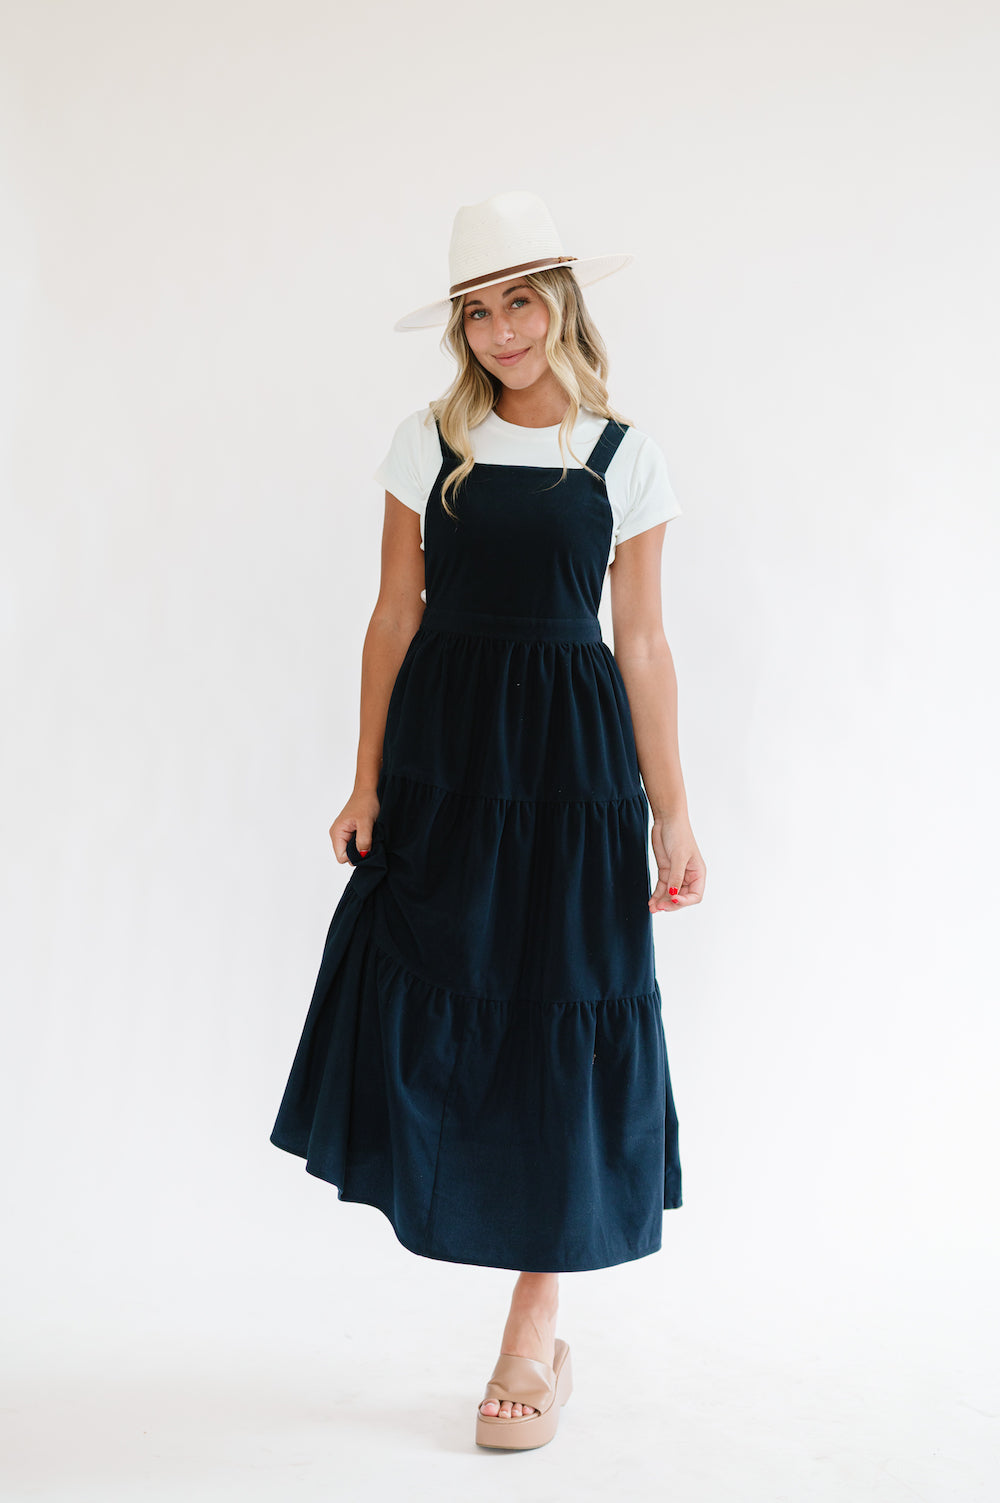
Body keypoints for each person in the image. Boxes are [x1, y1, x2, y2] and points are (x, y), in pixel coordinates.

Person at [269, 190, 707, 1451]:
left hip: (572, 768)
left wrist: (673, 815)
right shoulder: (430, 442)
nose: (500, 329)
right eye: (476, 311)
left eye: (519, 302)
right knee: (427, 984)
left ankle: (534, 1323)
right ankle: (440, 1201)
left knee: (560, 1005)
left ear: (560, 305)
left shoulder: (623, 456)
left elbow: (642, 642)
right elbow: (393, 614)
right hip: (446, 755)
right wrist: (365, 780)